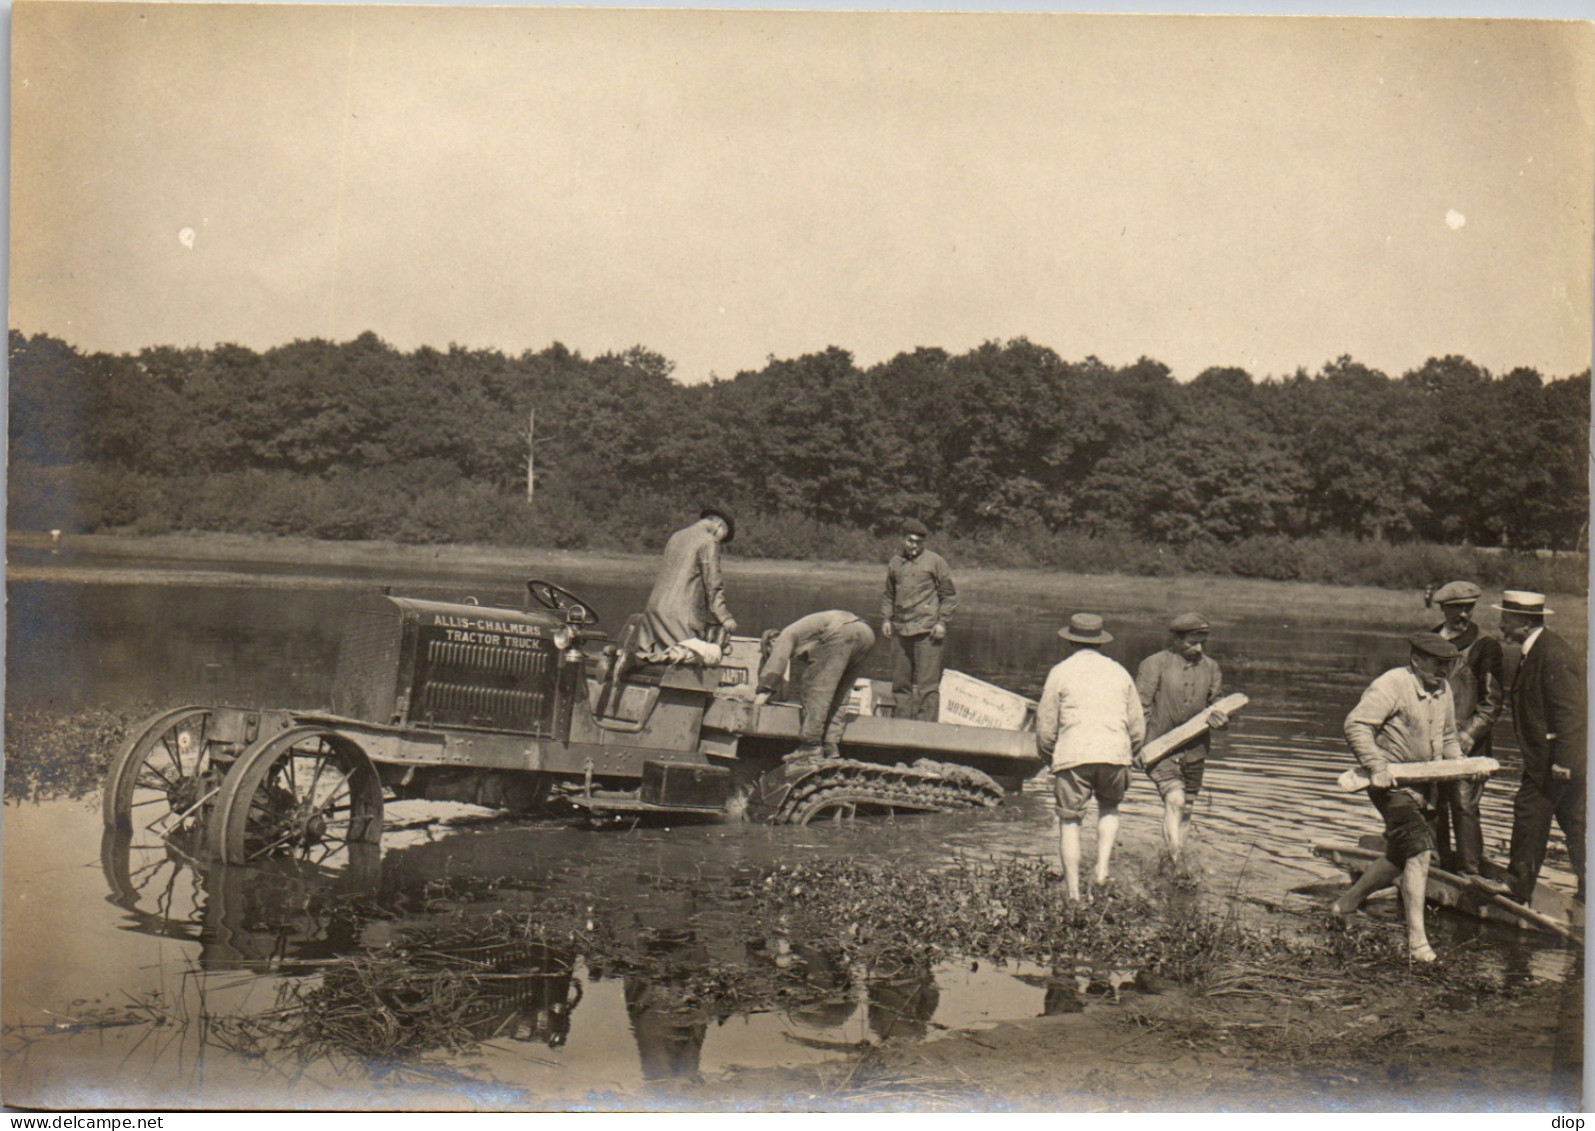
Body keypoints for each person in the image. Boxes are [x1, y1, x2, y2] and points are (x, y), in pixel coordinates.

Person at [1333, 632, 1465, 964]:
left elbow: (1448, 736)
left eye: (1448, 665)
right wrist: (1376, 765)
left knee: (1398, 855)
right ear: (1417, 659)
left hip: (1427, 787)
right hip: (1391, 786)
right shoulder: (1391, 684)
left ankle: (1345, 904)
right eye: (1437, 664)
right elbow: (1357, 725)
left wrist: (1462, 763)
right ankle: (1417, 943)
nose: (1443, 672)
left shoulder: (1443, 690)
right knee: (1419, 852)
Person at [1035, 613, 1145, 901]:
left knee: (1069, 821)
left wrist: (1050, 758)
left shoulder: (1060, 672)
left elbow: (1045, 726)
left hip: (1074, 754)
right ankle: (1101, 871)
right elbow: (1137, 726)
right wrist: (1127, 752)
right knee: (1109, 808)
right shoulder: (1120, 672)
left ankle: (1073, 893)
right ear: (1100, 642)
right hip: (1115, 753)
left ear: (1070, 641)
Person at [1494, 590, 1586, 905]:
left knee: (1529, 813)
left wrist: (1563, 762)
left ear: (1523, 622)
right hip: (1558, 759)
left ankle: (1517, 887)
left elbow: (1571, 713)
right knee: (1575, 824)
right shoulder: (1537, 650)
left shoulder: (1551, 654)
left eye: (1505, 620)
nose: (1501, 626)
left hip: (1553, 761)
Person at [1135, 613, 1230, 869]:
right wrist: (1138, 745)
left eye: (1202, 643)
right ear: (1175, 639)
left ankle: (1173, 857)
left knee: (1186, 807)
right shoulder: (1153, 664)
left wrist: (1222, 719)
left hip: (1195, 750)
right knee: (1174, 800)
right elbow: (1139, 708)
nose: (1198, 649)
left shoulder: (1211, 668)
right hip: (1158, 748)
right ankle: (1178, 865)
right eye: (1191, 642)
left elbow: (1217, 704)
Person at [1427, 581, 1505, 879]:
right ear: (1444, 608)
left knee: (1463, 806)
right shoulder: (1429, 640)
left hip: (1466, 744)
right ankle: (1434, 866)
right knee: (1431, 804)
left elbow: (1491, 704)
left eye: (1468, 608)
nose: (1463, 614)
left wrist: (1468, 736)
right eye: (1457, 608)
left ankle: (1470, 873)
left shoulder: (1486, 646)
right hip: (1431, 742)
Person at [753, 610, 877, 759]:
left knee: (816, 689)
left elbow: (776, 665)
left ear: (771, 642)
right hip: (866, 633)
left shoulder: (784, 635)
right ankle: (830, 745)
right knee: (840, 694)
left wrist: (758, 701)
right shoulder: (805, 635)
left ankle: (810, 746)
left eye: (769, 653)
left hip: (841, 631)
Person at [879, 519, 957, 722]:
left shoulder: (935, 562)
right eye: (910, 541)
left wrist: (942, 622)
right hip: (900, 630)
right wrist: (886, 618)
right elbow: (888, 594)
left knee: (927, 686)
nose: (914, 545)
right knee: (900, 683)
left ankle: (925, 733)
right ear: (903, 539)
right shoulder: (895, 563)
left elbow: (949, 595)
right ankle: (901, 726)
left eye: (919, 542)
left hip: (927, 632)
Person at [638, 507, 738, 655]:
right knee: (686, 660)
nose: (720, 542)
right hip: (680, 616)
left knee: (655, 659)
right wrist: (725, 618)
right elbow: (713, 585)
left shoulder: (676, 536)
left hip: (654, 610)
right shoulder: (709, 541)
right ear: (719, 526)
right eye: (722, 537)